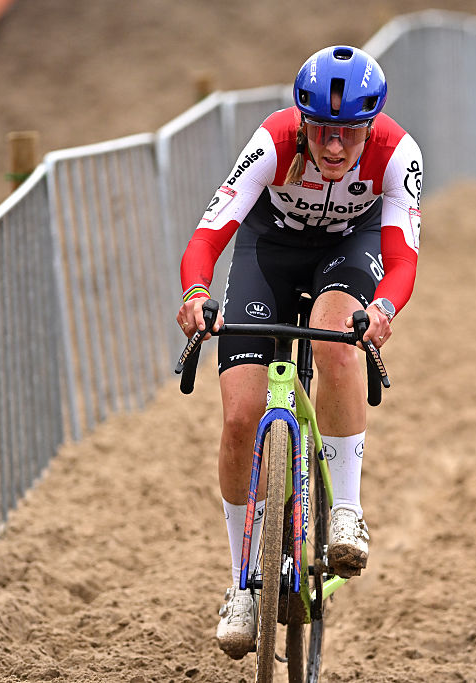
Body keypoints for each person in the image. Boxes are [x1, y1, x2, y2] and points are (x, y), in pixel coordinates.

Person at [175, 45, 422, 659]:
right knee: (238, 418)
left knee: (337, 336)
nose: (334, 148)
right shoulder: (272, 142)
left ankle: (345, 510)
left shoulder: (398, 154)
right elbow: (207, 237)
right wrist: (196, 294)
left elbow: (403, 258)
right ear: (301, 122)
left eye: (348, 135)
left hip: (351, 249)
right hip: (270, 250)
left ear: (369, 128)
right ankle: (240, 583)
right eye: (321, 132)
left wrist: (382, 313)